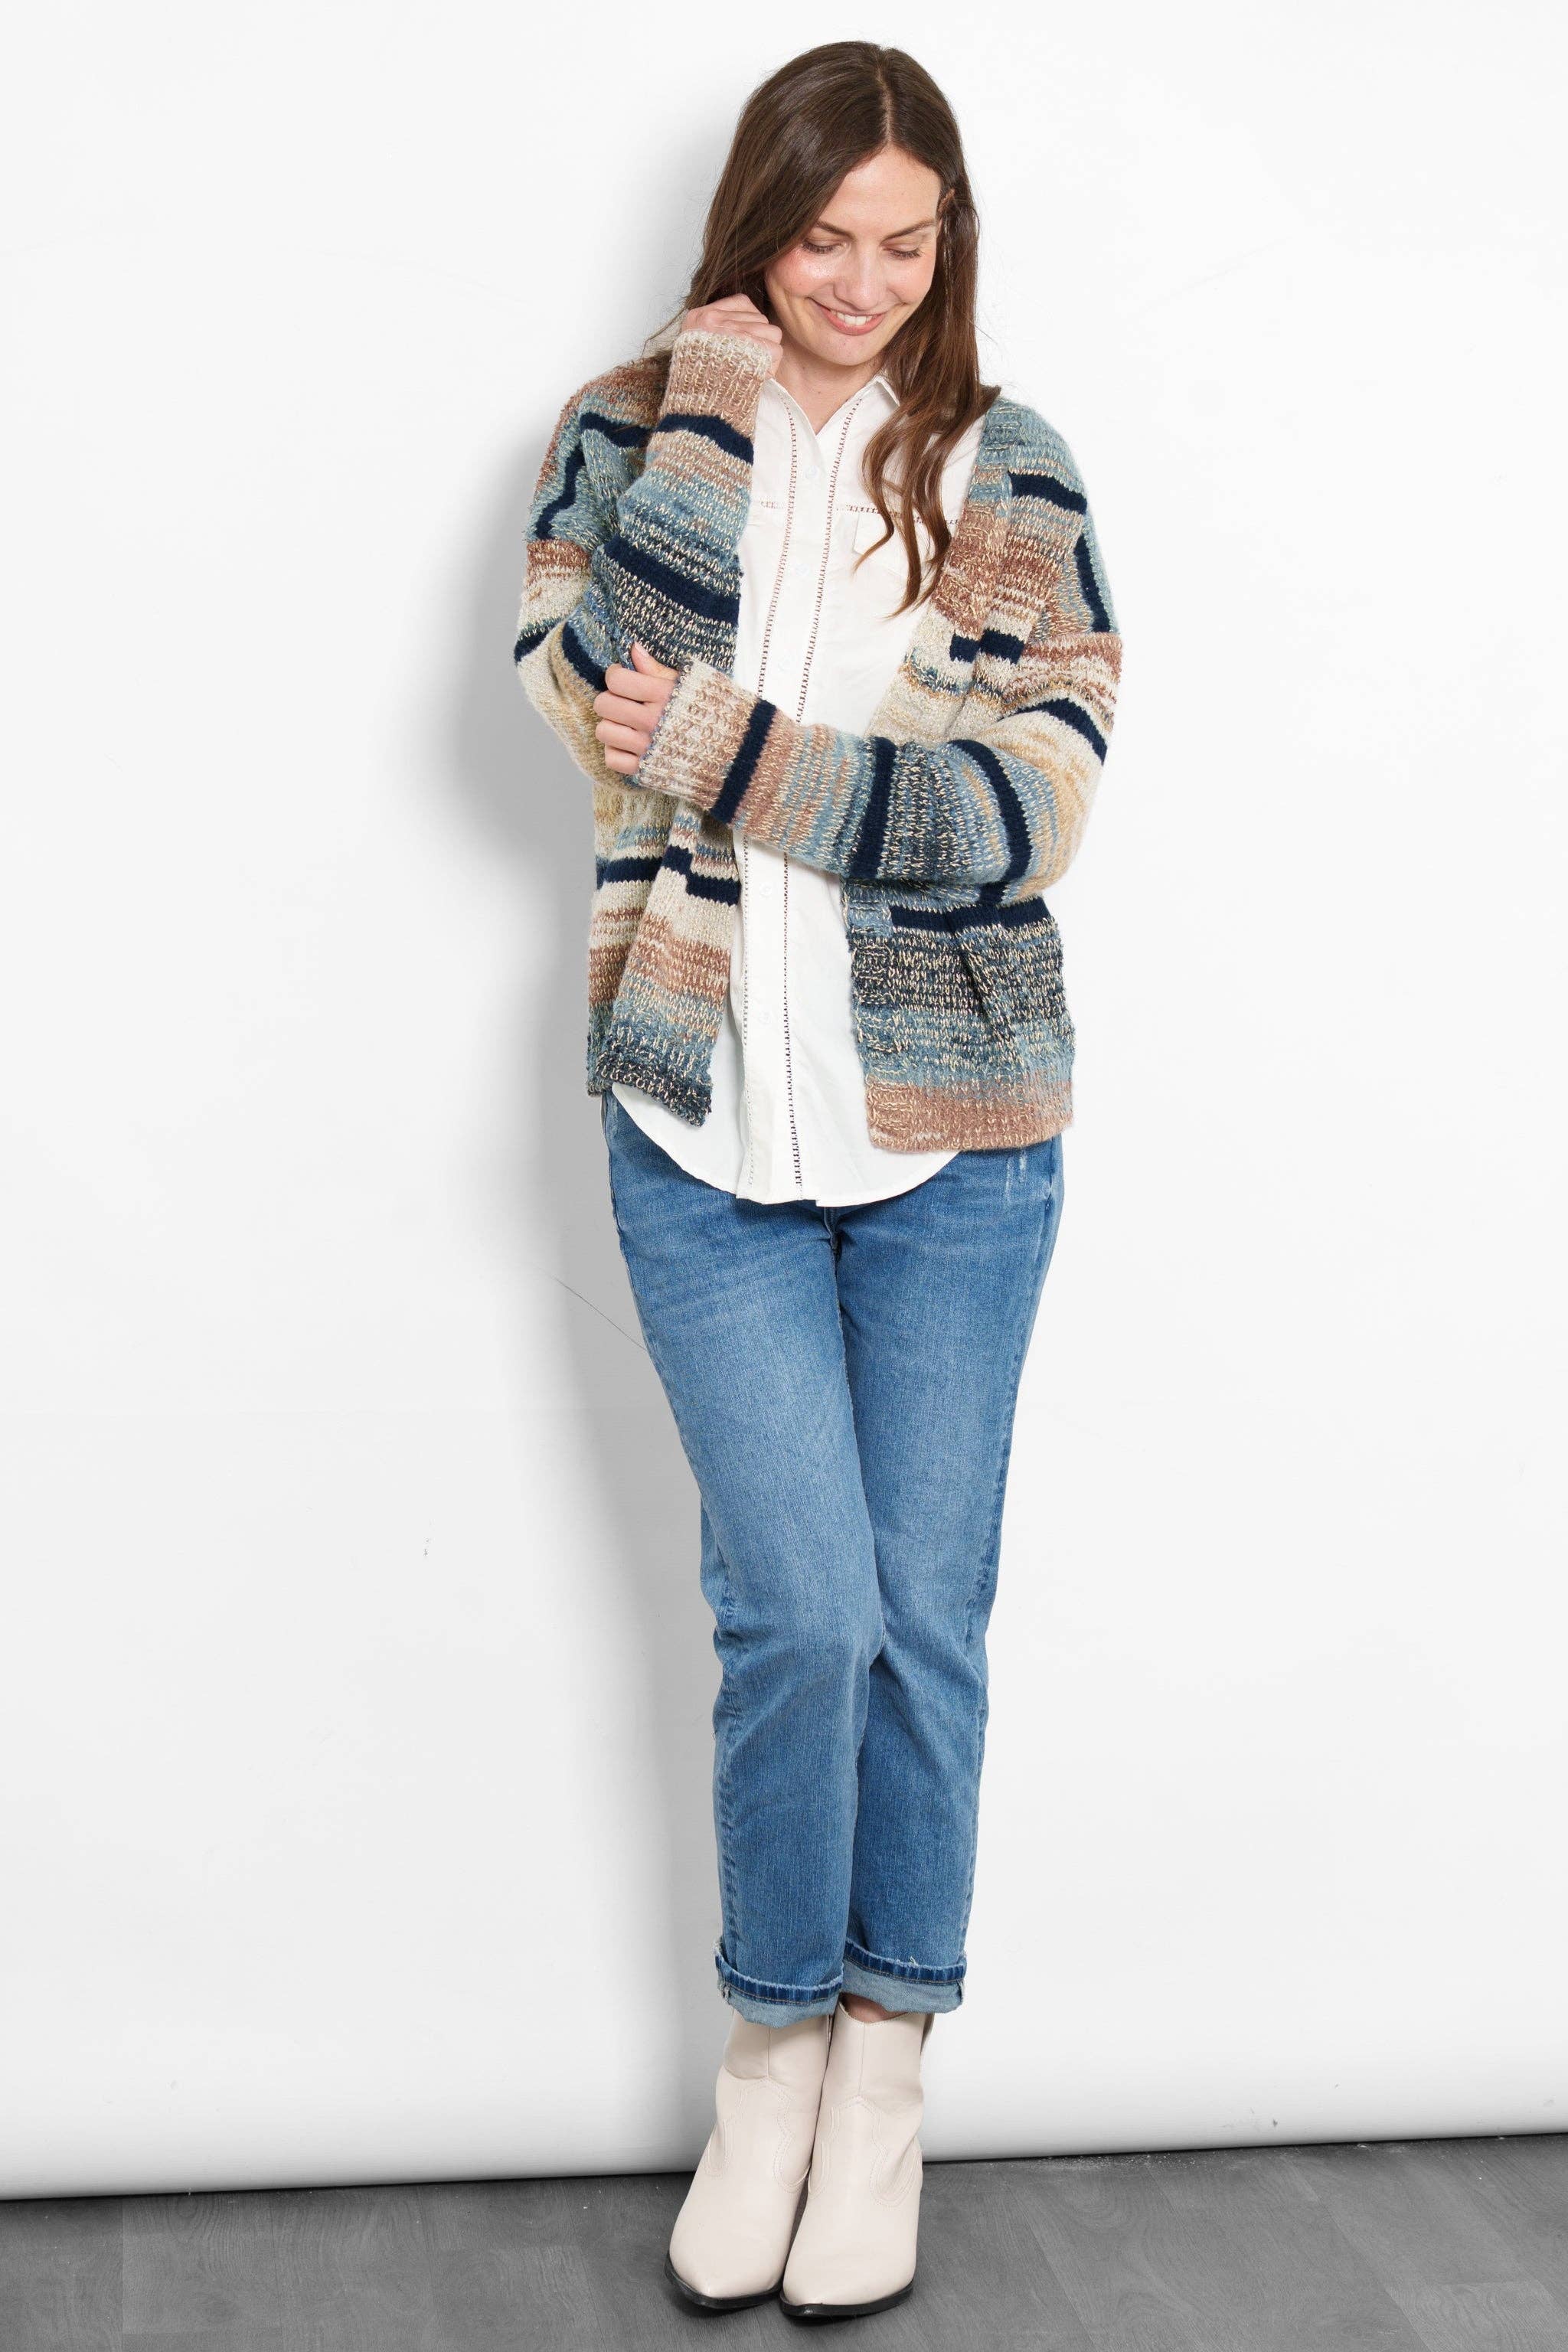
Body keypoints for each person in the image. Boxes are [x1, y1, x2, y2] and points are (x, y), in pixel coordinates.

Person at [513, 38, 1121, 2324]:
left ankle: (886, 2077)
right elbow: (586, 696)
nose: (864, 282)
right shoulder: (623, 430)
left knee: (923, 1621)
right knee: (798, 1613)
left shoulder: (1008, 469)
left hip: (959, 1143)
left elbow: (1020, 815)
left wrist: (738, 757)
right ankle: (767, 2062)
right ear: (755, 226)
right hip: (692, 1115)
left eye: (907, 241)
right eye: (823, 237)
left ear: (950, 242)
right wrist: (707, 408)